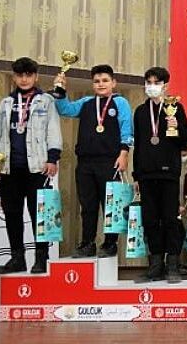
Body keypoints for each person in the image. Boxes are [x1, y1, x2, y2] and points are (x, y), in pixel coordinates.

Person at [0, 57, 62, 274]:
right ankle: (17, 258)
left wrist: (52, 158)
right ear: (14, 77)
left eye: (28, 75)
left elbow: (53, 131)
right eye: (20, 75)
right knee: (12, 214)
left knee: (39, 214)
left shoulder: (46, 101)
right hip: (10, 169)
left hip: (37, 168)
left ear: (35, 77)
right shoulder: (5, 104)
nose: (24, 79)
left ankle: (41, 258)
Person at [54, 64, 133, 258]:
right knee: (87, 206)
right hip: (85, 162)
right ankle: (87, 243)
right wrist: (60, 90)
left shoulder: (120, 102)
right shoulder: (87, 102)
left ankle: (110, 243)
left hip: (110, 161)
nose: (101, 84)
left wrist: (124, 154)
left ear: (113, 83)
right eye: (97, 81)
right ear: (92, 84)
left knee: (110, 205)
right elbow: (65, 110)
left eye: (105, 80)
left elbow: (126, 128)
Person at [131, 67, 187, 283]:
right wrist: (136, 175)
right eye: (148, 82)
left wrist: (176, 127)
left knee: (170, 219)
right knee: (149, 220)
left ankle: (173, 264)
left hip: (169, 173)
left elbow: (184, 141)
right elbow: (138, 145)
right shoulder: (140, 111)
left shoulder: (175, 108)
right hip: (146, 174)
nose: (151, 86)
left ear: (165, 85)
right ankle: (155, 264)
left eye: (156, 82)